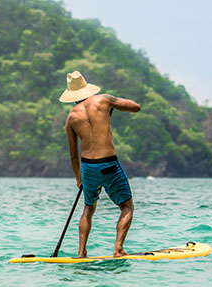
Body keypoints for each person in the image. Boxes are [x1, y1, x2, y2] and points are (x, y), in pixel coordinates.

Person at [59, 71, 141, 258]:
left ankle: (81, 253)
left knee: (89, 208)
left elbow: (73, 156)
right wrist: (113, 102)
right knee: (127, 207)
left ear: (72, 96)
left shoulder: (71, 118)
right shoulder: (103, 100)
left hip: (87, 167)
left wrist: (79, 179)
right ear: (87, 88)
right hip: (108, 163)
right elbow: (136, 107)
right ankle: (118, 249)